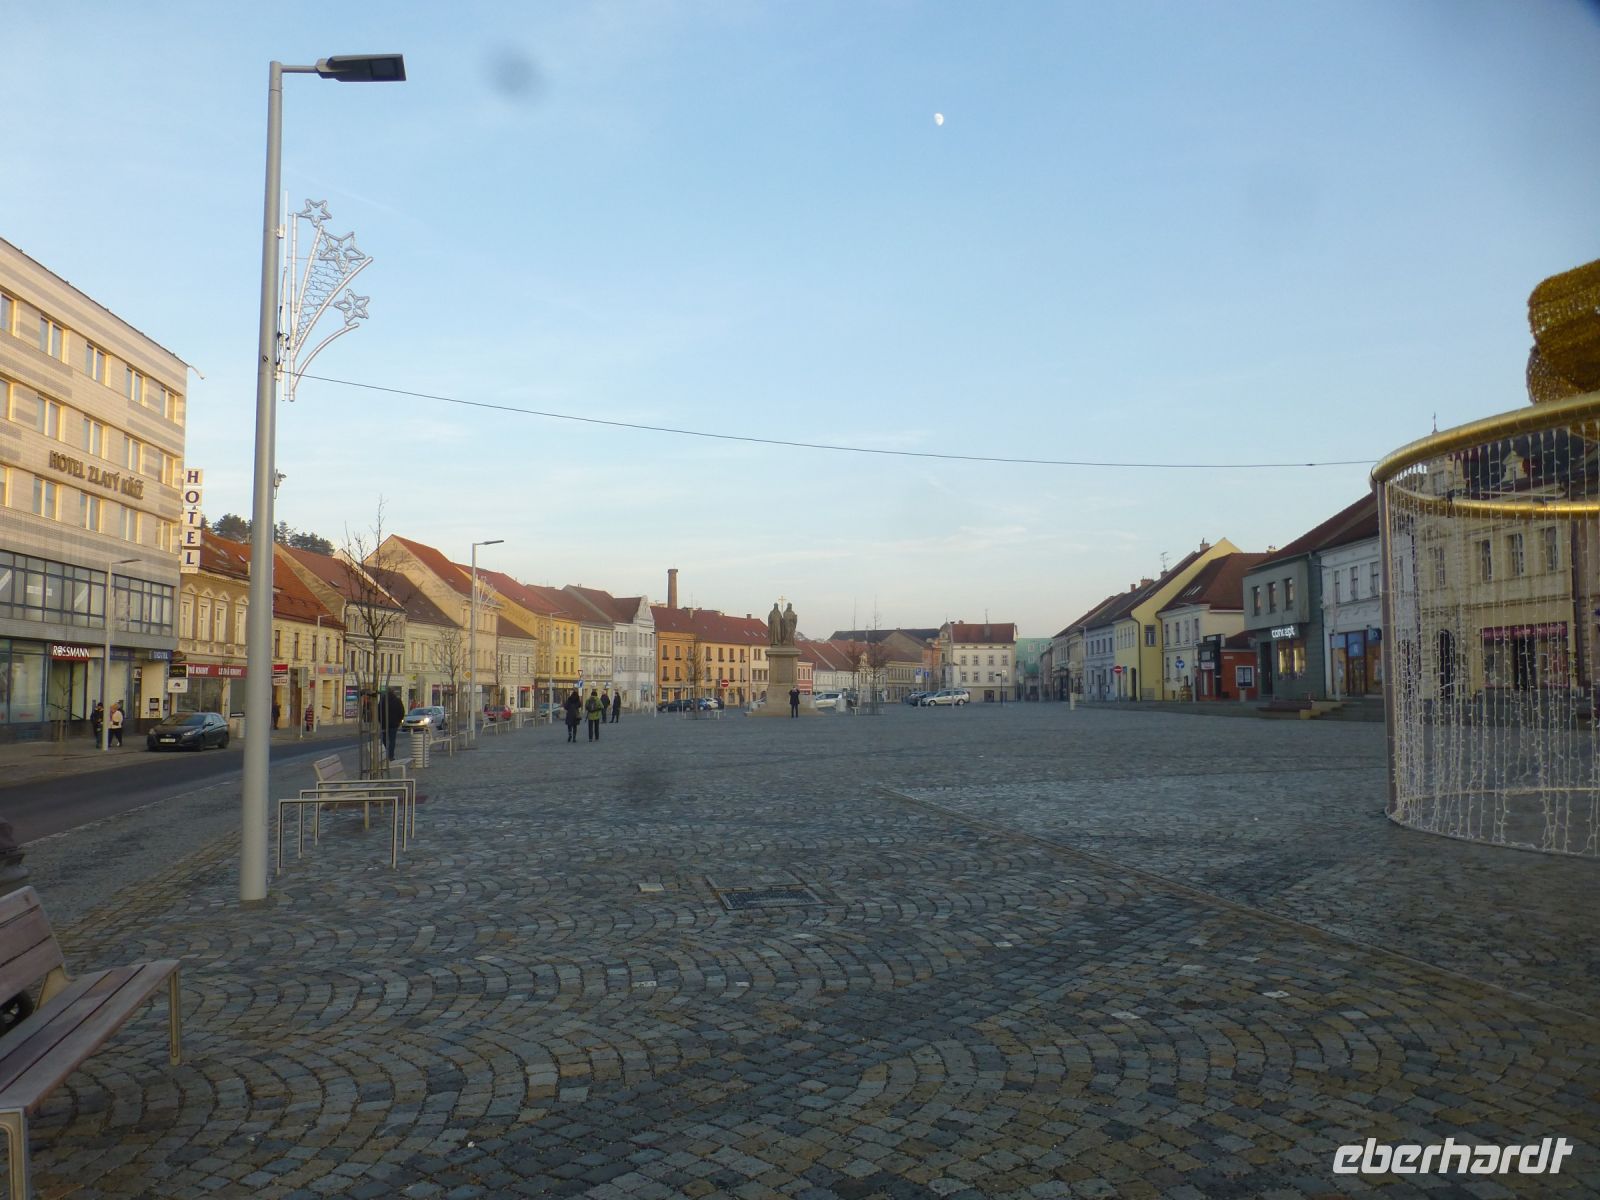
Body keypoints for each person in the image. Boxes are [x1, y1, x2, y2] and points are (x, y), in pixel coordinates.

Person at [378, 688, 404, 761]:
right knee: (392, 740)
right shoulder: (397, 700)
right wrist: (399, 721)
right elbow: (402, 712)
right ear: (393, 692)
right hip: (394, 724)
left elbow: (378, 712)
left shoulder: (382, 701)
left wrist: (381, 721)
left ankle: (385, 754)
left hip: (384, 724)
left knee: (385, 740)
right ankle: (391, 756)